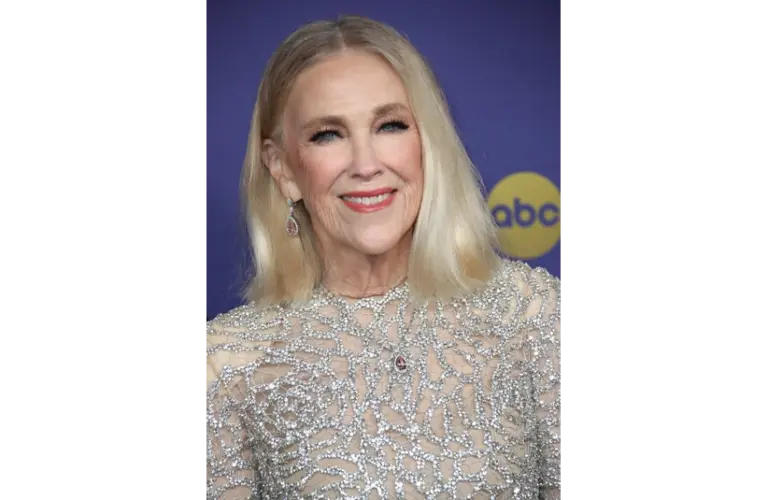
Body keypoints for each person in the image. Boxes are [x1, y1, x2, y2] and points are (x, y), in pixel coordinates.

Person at [204, 14, 562, 500]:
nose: (367, 164)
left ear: (426, 144)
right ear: (283, 168)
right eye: (327, 134)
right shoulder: (225, 364)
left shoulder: (535, 316)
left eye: (390, 125)